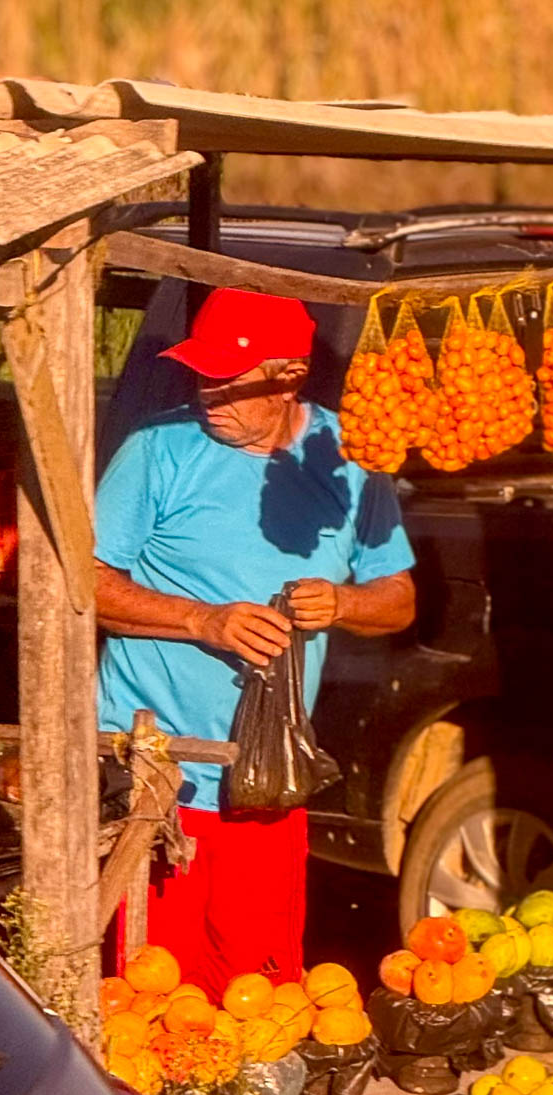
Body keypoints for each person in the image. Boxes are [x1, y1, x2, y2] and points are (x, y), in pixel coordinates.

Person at [95, 287, 416, 998]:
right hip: (154, 775)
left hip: (266, 782)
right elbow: (80, 583)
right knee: (153, 993)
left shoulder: (349, 459)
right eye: (200, 373)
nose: (209, 394)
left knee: (258, 990)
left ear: (289, 378)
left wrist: (341, 603)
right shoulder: (158, 448)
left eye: (230, 381)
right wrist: (203, 620)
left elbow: (398, 602)